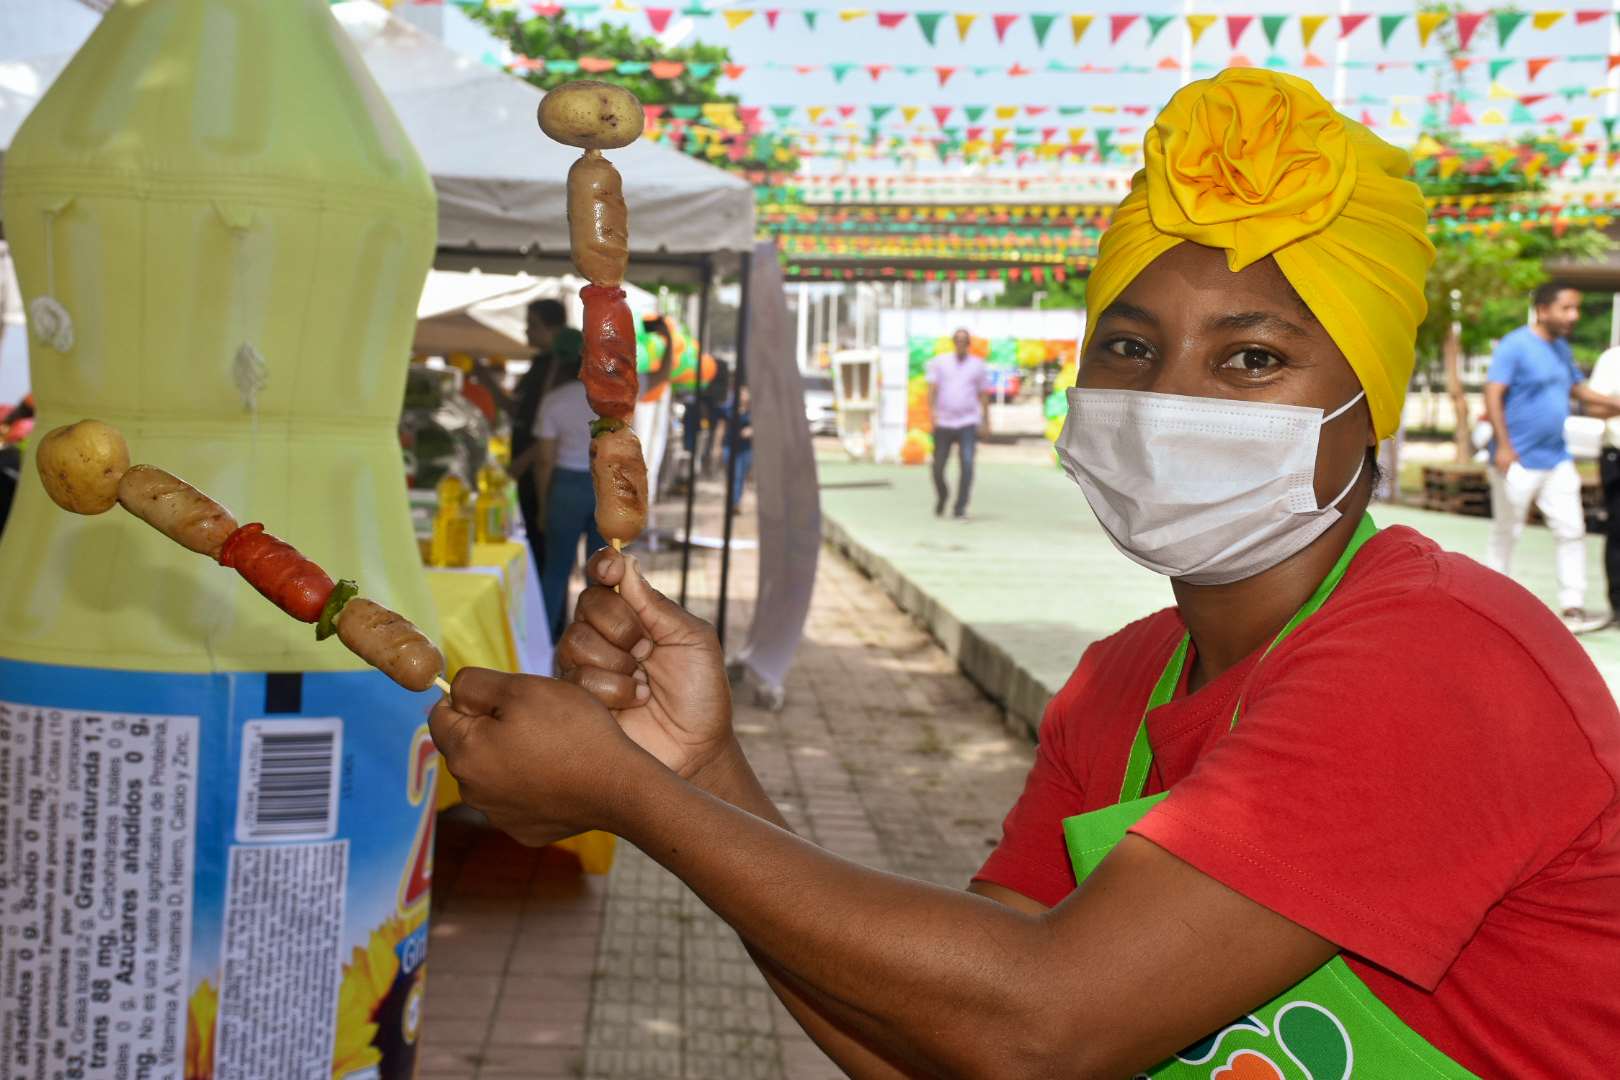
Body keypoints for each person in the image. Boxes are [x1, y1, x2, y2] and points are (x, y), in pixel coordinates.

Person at [428, 70, 1620, 1079]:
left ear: (1370, 408)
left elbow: (1040, 1025)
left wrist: (639, 803)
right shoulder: (1124, 685)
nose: (1169, 402)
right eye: (1130, 346)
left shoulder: (1441, 657)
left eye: (1253, 359)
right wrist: (700, 764)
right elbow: (935, 1038)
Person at [1483, 281, 1620, 633]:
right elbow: (1493, 393)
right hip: (1517, 459)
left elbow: (1577, 389)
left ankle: (1572, 607)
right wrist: (1505, 445)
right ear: (1543, 310)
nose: (1573, 316)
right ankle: (1490, 608)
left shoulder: (1561, 348)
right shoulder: (1515, 345)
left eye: (1576, 308)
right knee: (1507, 532)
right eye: (1567, 308)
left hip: (1557, 458)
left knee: (1572, 530)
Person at [530, 328, 606, 643]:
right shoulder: (607, 398)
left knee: (556, 572)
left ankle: (541, 646)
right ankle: (597, 642)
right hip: (604, 483)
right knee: (601, 575)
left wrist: (544, 507)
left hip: (566, 486)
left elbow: (544, 461)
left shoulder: (553, 399)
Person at [482, 299, 568, 571]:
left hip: (542, 471)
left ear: (555, 330)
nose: (526, 331)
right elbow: (514, 408)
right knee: (533, 539)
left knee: (545, 549)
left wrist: (525, 460)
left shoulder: (559, 370)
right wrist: (482, 376)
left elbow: (553, 432)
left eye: (533, 325)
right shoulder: (538, 365)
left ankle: (548, 612)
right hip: (527, 468)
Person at [926, 329, 989, 520]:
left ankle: (960, 507)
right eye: (958, 340)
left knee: (968, 465)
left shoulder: (977, 365)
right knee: (937, 467)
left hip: (967, 422)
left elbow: (983, 394)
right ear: (954, 342)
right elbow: (932, 389)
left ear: (969, 343)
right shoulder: (940, 362)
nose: (961, 343)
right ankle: (943, 495)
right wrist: (932, 413)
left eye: (965, 340)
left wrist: (987, 420)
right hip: (944, 422)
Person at [1591, 343, 1620, 623]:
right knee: (1618, 531)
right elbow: (1593, 406)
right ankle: (1618, 608)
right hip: (1617, 454)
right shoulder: (1612, 360)